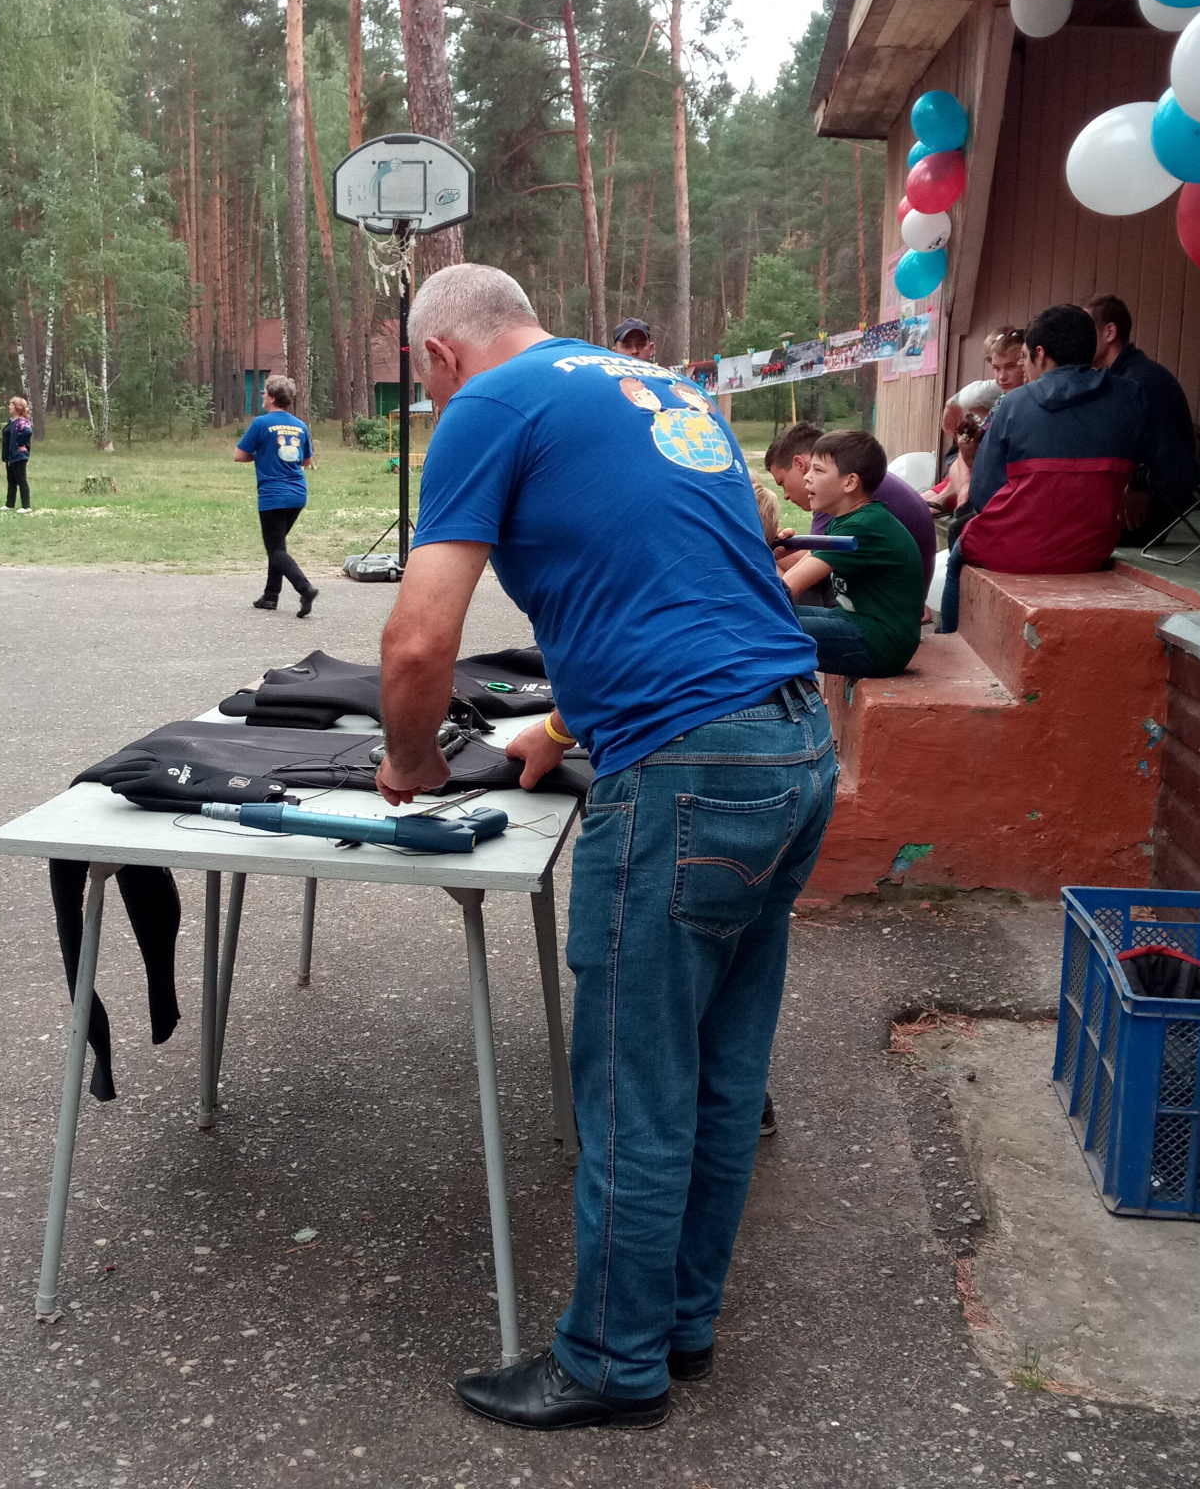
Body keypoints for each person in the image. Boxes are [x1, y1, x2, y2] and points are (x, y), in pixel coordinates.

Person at [376, 264, 832, 1431]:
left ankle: (612, 1362)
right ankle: (679, 1325)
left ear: (439, 356)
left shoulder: (486, 402)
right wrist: (565, 723)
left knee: (636, 1082)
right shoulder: (655, 385)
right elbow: (688, 573)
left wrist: (413, 763)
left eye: (428, 386)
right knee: (721, 1069)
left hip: (688, 769)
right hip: (791, 743)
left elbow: (419, 643)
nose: (437, 403)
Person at [938, 303, 1200, 634]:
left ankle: (947, 638)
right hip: (1090, 552)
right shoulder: (1133, 397)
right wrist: (1139, 484)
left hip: (1011, 549)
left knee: (957, 552)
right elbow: (1183, 474)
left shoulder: (1014, 404)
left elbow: (983, 495)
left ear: (1040, 354)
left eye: (1023, 358)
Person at [775, 430, 926, 680]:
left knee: (765, 628)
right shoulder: (846, 520)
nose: (807, 478)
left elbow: (788, 587)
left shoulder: (863, 526)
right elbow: (796, 573)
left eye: (818, 470)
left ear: (850, 483)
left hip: (880, 643)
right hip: (857, 622)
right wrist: (776, 550)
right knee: (768, 619)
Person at [1084, 294, 1197, 545]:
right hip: (1130, 488)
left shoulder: (1141, 381)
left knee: (1069, 533)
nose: (1080, 339)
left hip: (1151, 496)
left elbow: (1172, 460)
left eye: (1087, 330)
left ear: (1110, 332)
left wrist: (1139, 483)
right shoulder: (1117, 376)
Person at [765, 420, 936, 580]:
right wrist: (782, 545)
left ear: (799, 464)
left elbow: (807, 571)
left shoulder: (843, 496)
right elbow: (815, 553)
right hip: (891, 586)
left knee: (768, 571)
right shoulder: (853, 488)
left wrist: (762, 547)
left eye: (782, 483)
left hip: (880, 595)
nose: (786, 495)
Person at [234, 373, 319, 617]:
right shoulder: (300, 425)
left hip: (273, 495)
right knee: (278, 546)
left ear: (271, 398)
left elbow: (239, 455)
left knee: (275, 549)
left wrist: (262, 455)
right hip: (297, 494)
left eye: (264, 393)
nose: (262, 396)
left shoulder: (261, 423)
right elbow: (306, 460)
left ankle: (305, 588)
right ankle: (270, 596)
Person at [926, 328, 1027, 522]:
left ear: (1025, 361)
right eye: (996, 368)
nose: (1001, 377)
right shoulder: (1002, 398)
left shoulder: (1022, 400)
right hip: (973, 476)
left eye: (1010, 366)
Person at [1, 395, 34, 511]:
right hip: (10, 456)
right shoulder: (12, 421)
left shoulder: (21, 421)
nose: (9, 406)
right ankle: (9, 504)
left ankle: (26, 506)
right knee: (11, 481)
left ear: (17, 407)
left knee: (21, 480)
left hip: (19, 456)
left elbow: (28, 431)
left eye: (11, 405)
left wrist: (21, 444)